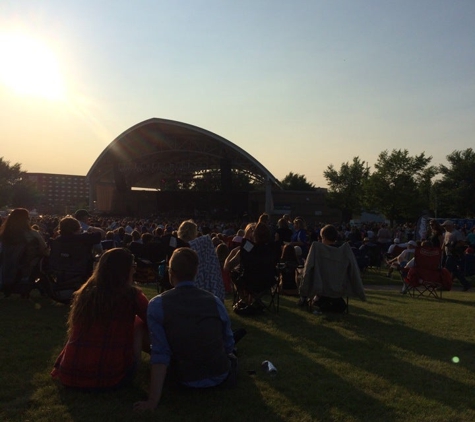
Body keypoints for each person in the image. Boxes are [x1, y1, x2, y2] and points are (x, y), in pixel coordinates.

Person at [134, 248, 236, 411]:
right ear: (196, 271)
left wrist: (152, 400)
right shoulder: (214, 301)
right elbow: (229, 343)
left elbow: (161, 352)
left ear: (170, 272)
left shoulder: (157, 304)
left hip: (182, 377)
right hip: (219, 374)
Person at [51, 248, 149, 390]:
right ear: (125, 270)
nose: (134, 271)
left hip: (70, 375)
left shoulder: (84, 293)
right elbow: (152, 321)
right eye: (132, 267)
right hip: (111, 378)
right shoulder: (131, 296)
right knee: (138, 323)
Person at [0, 208, 48, 297]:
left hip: (5, 267)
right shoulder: (33, 235)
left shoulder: (3, 236)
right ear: (27, 220)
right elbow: (44, 250)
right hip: (28, 266)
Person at [441, 220, 471, 291]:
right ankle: (466, 284)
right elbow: (444, 242)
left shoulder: (456, 233)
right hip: (447, 253)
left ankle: (445, 285)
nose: (444, 228)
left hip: (453, 254)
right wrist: (442, 250)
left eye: (445, 226)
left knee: (446, 270)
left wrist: (453, 246)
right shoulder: (447, 233)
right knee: (455, 271)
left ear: (449, 226)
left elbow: (461, 242)